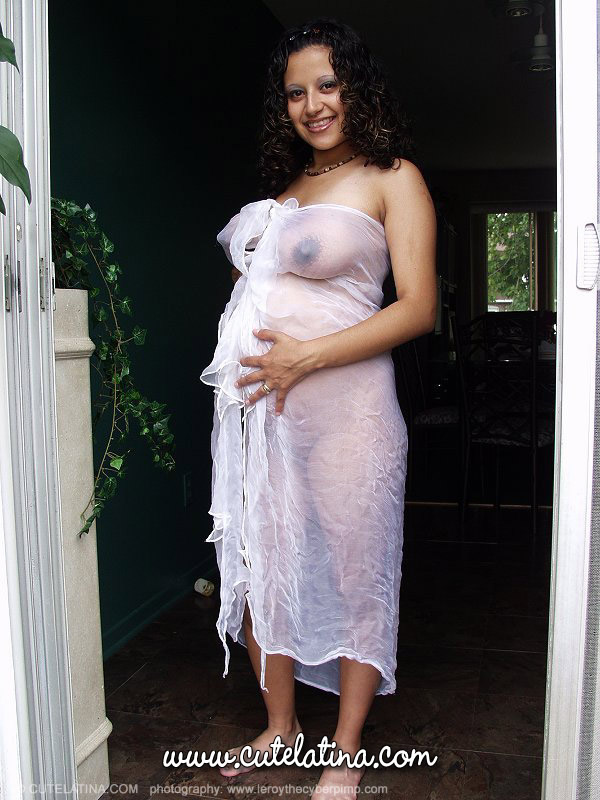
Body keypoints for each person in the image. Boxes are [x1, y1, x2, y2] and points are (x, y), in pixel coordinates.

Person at [199, 17, 437, 797]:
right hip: (268, 425)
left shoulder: (391, 177)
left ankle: (347, 747)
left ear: (355, 87)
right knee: (263, 571)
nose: (313, 105)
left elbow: (418, 308)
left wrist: (304, 356)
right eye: (296, 92)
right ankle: (281, 727)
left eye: (328, 85)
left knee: (355, 571)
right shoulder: (285, 196)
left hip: (349, 418)